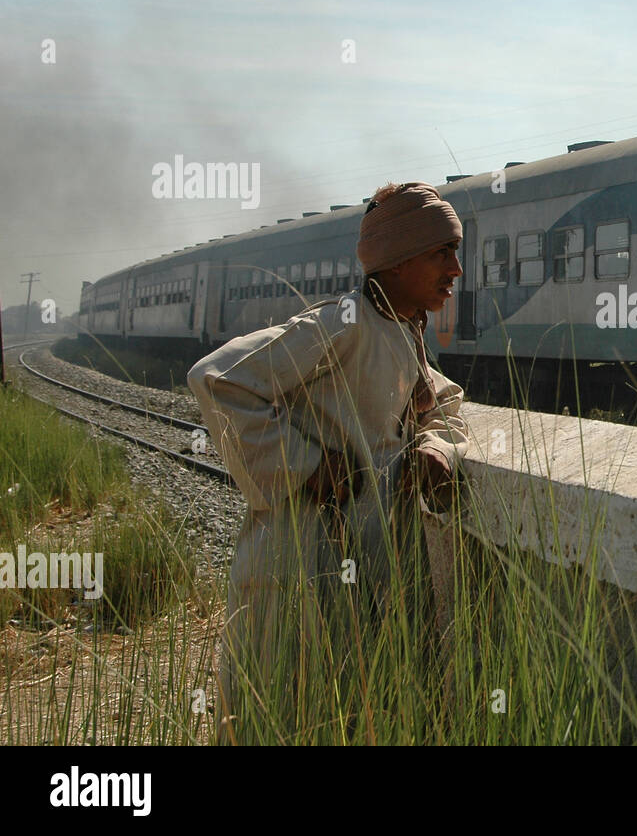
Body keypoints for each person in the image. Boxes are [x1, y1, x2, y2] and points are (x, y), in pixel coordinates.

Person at [188, 181, 471, 743]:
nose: (456, 270)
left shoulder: (405, 332)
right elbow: (217, 379)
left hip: (351, 570)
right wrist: (306, 465)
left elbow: (447, 404)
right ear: (397, 260)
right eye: (442, 252)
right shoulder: (343, 323)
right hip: (294, 569)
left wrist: (435, 447)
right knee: (272, 719)